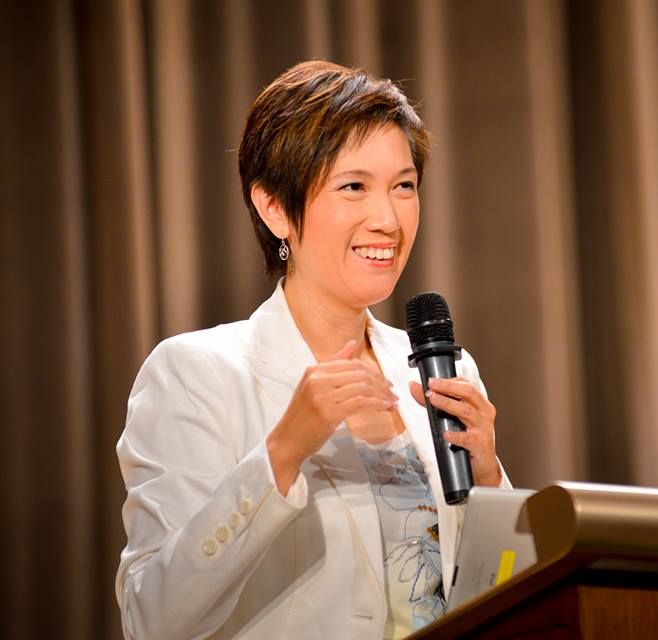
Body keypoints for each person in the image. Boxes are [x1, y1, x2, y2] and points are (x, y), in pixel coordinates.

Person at [116, 60, 509, 640]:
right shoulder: (196, 373)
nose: (388, 219)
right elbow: (152, 621)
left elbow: (496, 598)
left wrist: (491, 483)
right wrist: (279, 456)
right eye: (354, 187)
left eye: (404, 186)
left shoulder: (441, 371)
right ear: (275, 207)